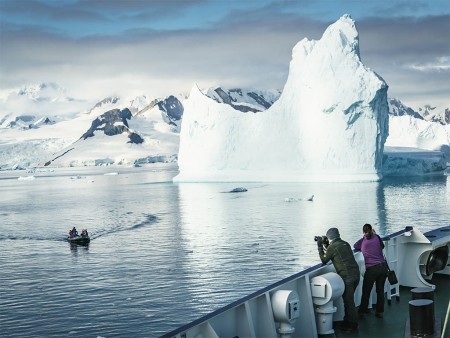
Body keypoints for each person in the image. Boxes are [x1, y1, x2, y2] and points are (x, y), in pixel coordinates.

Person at [317, 227, 360, 332]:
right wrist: (327, 245)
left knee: (349, 303)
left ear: (329, 237)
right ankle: (347, 322)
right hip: (356, 275)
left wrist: (319, 246)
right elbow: (334, 252)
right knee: (348, 301)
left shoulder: (333, 247)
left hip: (347, 277)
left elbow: (324, 260)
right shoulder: (345, 243)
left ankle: (353, 325)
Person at [353, 223, 387, 318]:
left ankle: (362, 312)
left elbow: (355, 245)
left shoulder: (363, 241)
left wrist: (364, 237)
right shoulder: (377, 237)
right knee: (380, 291)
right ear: (372, 230)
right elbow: (382, 246)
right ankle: (380, 312)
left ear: (364, 232)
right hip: (383, 267)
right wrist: (374, 234)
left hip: (372, 269)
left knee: (366, 291)